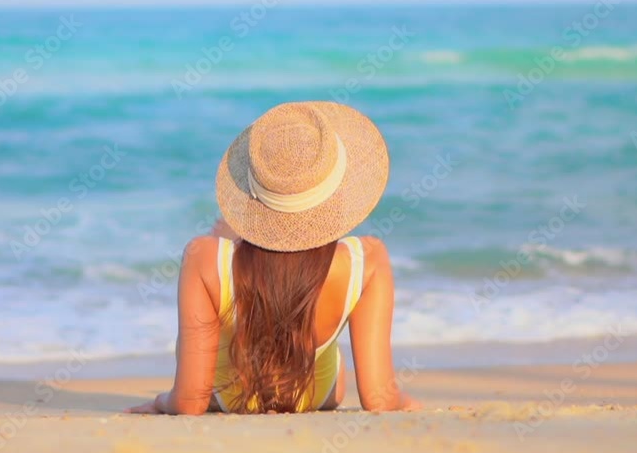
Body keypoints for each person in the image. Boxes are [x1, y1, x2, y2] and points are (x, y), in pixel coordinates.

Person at [126, 101, 420, 414]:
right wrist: (409, 403)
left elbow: (189, 402)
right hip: (317, 395)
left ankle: (236, 245)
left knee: (219, 269)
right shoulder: (367, 259)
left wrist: (159, 402)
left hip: (231, 400)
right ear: (335, 187)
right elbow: (379, 399)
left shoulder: (201, 256)